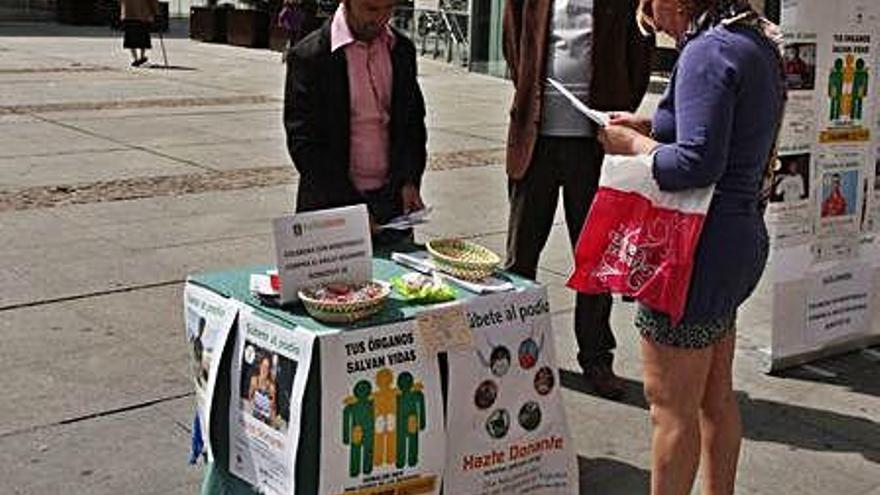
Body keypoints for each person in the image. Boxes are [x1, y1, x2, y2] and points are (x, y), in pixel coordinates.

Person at [596, 0, 784, 493]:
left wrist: (629, 145)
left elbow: (697, 164)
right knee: (715, 395)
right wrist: (651, 130)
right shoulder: (754, 40)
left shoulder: (707, 50)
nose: (646, 9)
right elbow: (723, 136)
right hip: (736, 239)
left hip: (692, 249)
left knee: (670, 407)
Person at [502, 0, 654, 399]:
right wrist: (531, 100)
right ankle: (514, 351)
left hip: (595, 146)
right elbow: (514, 46)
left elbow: (639, 54)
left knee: (595, 260)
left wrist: (619, 112)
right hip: (535, 142)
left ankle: (597, 358)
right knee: (520, 257)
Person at [284, 0, 427, 246]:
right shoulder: (311, 56)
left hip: (392, 204)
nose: (381, 18)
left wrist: (410, 179)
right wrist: (350, 207)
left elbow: (413, 123)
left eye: (389, 9)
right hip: (331, 204)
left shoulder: (401, 50)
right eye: (371, 9)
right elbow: (305, 144)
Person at [120, 0, 158, 67]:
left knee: (130, 37)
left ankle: (135, 58)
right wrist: (155, 12)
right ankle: (141, 56)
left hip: (128, 14)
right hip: (143, 15)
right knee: (143, 36)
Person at [248, 355, 278, 426]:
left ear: (269, 370)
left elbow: (273, 407)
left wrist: (272, 422)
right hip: (255, 412)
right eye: (263, 366)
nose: (264, 369)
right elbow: (250, 398)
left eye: (267, 367)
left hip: (266, 417)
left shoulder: (271, 387)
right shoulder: (254, 380)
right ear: (260, 366)